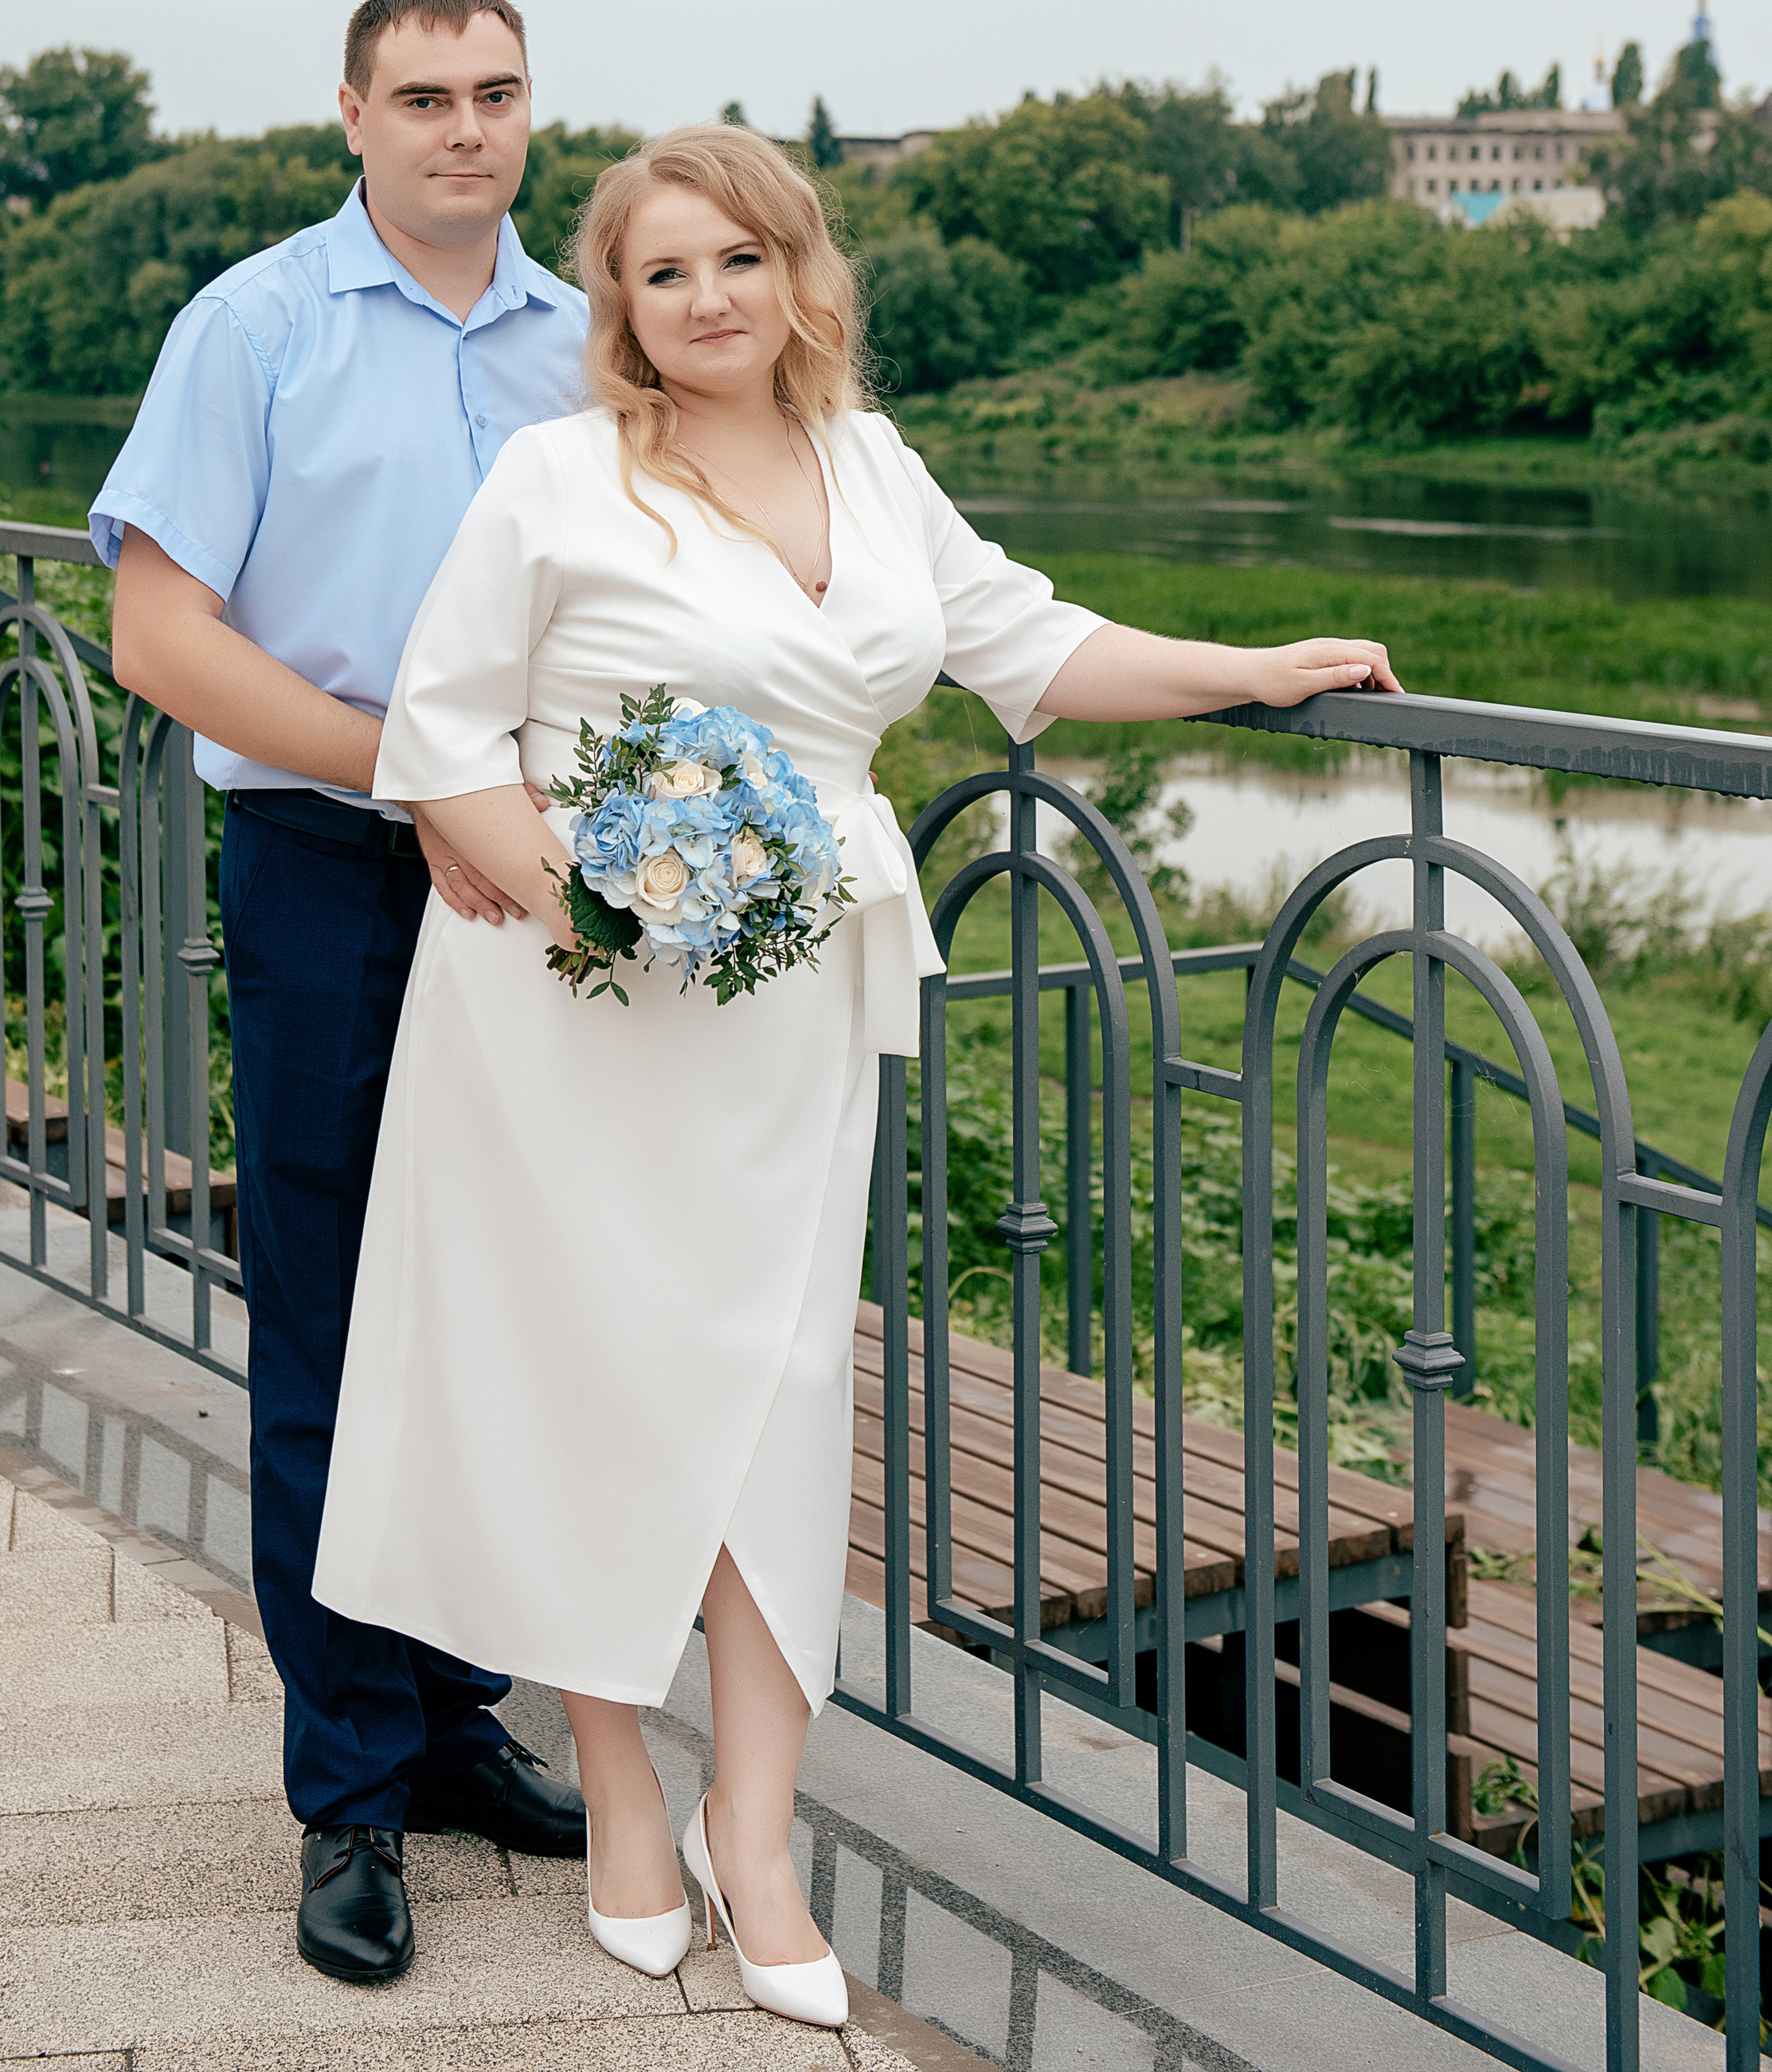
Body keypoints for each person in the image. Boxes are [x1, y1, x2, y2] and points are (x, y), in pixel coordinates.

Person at [313, 121, 1398, 2028]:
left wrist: (1249, 668)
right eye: (663, 273)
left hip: (796, 999)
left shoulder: (873, 466)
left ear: (797, 273)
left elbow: (1027, 644)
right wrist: (595, 897)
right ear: (622, 309)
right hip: (580, 1004)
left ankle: (760, 1824)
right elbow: (439, 731)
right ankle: (627, 1792)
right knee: (601, 1374)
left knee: (773, 1392)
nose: (706, 299)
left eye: (738, 261)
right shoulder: (555, 477)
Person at [92, 0, 591, 1992]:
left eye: (494, 93)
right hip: (331, 863)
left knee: (502, 1313)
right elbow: (158, 637)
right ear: (352, 115)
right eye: (422, 97)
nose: (463, 129)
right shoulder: (256, 325)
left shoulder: (591, 339)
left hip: (546, 875)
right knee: (327, 1309)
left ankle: (458, 1714)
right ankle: (349, 1795)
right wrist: (415, 777)